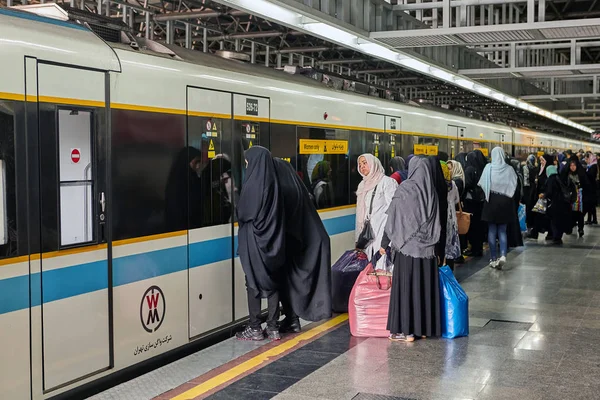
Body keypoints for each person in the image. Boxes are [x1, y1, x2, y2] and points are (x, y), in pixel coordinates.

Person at [380, 157, 441, 342]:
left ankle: (406, 332)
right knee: (424, 289)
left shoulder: (405, 189)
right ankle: (423, 329)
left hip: (406, 250)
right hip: (428, 251)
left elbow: (393, 219)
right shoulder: (432, 192)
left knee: (406, 289)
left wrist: (384, 243)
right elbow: (439, 224)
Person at [272, 158, 332, 333]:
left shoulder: (285, 189)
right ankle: (292, 318)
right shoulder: (298, 187)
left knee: (285, 280)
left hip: (299, 243)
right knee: (289, 281)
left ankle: (291, 318)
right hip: (308, 240)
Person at [236, 146, 286, 341]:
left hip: (254, 242)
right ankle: (273, 327)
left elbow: (244, 212)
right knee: (272, 282)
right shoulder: (275, 184)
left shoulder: (253, 184)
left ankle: (255, 327)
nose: (247, 165)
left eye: (248, 161)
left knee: (253, 283)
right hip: (274, 240)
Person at [479, 147, 518, 269]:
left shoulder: (488, 168)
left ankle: (493, 258)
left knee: (492, 230)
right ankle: (503, 255)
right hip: (505, 201)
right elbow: (514, 184)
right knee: (502, 230)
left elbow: (482, 184)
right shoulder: (509, 169)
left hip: (491, 201)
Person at [355, 154, 398, 261]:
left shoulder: (387, 182)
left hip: (382, 232)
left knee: (382, 267)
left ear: (373, 164)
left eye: (365, 163)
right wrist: (357, 239)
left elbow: (394, 210)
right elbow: (359, 214)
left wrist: (388, 240)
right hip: (366, 234)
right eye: (359, 165)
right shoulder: (362, 185)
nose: (362, 167)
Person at [463, 150, 487, 257]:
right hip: (482, 200)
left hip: (471, 201)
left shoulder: (469, 169)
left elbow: (467, 184)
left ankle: (473, 248)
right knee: (480, 225)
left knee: (472, 225)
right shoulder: (485, 169)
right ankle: (479, 248)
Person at [542, 165, 571, 245]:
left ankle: (556, 237)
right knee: (560, 220)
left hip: (554, 203)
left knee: (554, 221)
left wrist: (544, 195)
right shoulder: (559, 177)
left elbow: (549, 192)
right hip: (563, 202)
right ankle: (558, 236)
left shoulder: (551, 179)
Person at [561, 155, 589, 237]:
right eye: (571, 165)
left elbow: (586, 184)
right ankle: (570, 227)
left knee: (580, 213)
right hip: (570, 196)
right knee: (570, 213)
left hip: (580, 196)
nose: (572, 167)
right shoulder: (567, 174)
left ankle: (581, 229)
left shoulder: (581, 173)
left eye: (574, 165)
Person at [441, 161, 461, 271]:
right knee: (450, 246)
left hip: (441, 218)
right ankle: (450, 272)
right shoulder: (453, 184)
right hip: (452, 218)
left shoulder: (437, 183)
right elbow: (457, 199)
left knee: (441, 246)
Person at [585, 153, 598, 225]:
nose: (586, 160)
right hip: (591, 188)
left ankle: (591, 219)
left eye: (587, 159)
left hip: (591, 188)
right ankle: (592, 219)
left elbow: (590, 177)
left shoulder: (593, 167)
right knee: (591, 205)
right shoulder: (591, 166)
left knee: (591, 204)